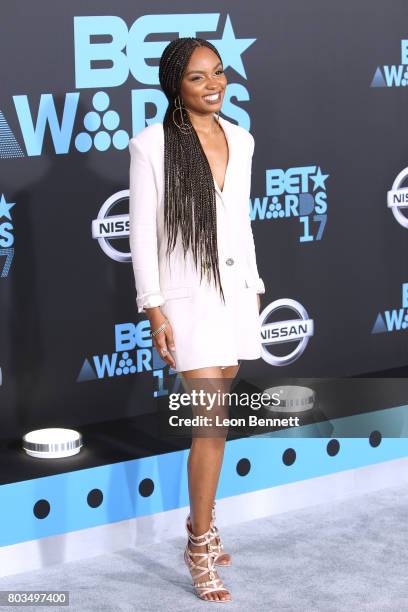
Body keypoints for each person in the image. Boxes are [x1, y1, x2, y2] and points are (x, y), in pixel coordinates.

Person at [129, 37, 265, 603]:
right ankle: (200, 543)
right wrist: (154, 308)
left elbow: (242, 225)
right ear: (175, 87)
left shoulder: (242, 137)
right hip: (188, 301)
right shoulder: (151, 146)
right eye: (197, 78)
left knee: (217, 425)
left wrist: (254, 289)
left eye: (219, 73)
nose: (214, 85)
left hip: (234, 294)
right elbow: (141, 234)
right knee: (209, 426)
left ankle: (199, 525)